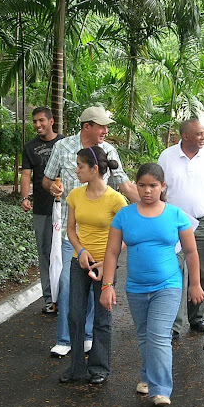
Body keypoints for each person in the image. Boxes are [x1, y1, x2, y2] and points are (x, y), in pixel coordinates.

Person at [100, 163, 204, 406]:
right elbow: (112, 253)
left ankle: (161, 390)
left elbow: (190, 252)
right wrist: (107, 286)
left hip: (167, 285)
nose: (147, 190)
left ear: (163, 186)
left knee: (158, 336)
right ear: (136, 186)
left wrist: (195, 284)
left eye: (153, 185)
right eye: (142, 185)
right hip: (136, 287)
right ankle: (148, 375)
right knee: (145, 337)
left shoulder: (176, 214)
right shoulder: (124, 215)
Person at [42, 106, 138, 357]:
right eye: (101, 126)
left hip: (101, 237)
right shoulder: (62, 148)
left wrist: (153, 203)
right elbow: (46, 179)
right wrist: (52, 187)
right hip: (69, 232)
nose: (106, 131)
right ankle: (64, 339)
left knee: (96, 285)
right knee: (67, 285)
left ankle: (86, 336)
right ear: (87, 127)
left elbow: (124, 185)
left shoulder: (109, 151)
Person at [58, 147, 127, 385]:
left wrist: (105, 261)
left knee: (102, 318)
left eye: (80, 166)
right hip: (81, 262)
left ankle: (99, 367)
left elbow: (126, 237)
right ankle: (77, 367)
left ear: (94, 169)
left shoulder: (116, 200)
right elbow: (70, 230)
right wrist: (82, 252)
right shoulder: (75, 195)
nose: (76, 170)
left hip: (105, 266)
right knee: (75, 315)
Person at [157, 118, 204, 338]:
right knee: (174, 272)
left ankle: (198, 318)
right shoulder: (167, 157)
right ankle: (174, 324)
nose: (203, 138)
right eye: (199, 134)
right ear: (185, 136)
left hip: (203, 222)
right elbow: (160, 189)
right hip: (174, 223)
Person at [21, 106, 64, 314]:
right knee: (45, 253)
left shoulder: (64, 144)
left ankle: (65, 296)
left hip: (65, 208)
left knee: (65, 253)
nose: (38, 125)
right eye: (35, 122)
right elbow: (26, 175)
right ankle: (50, 299)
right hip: (41, 208)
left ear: (51, 121)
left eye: (41, 121)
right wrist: (24, 197)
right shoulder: (29, 148)